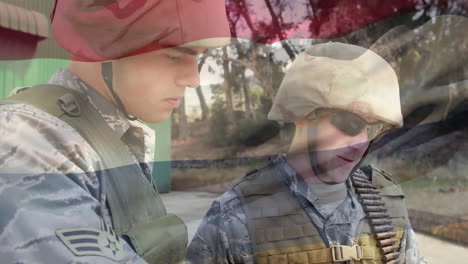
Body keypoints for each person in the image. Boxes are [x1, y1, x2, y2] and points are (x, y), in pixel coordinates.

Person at [0, 0, 230, 263]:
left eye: (196, 58)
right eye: (174, 56)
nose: (193, 79)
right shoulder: (29, 143)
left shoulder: (106, 135)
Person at [186, 42, 427, 264]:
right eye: (349, 123)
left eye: (373, 129)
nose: (360, 143)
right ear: (302, 114)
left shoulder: (384, 200)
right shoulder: (235, 216)